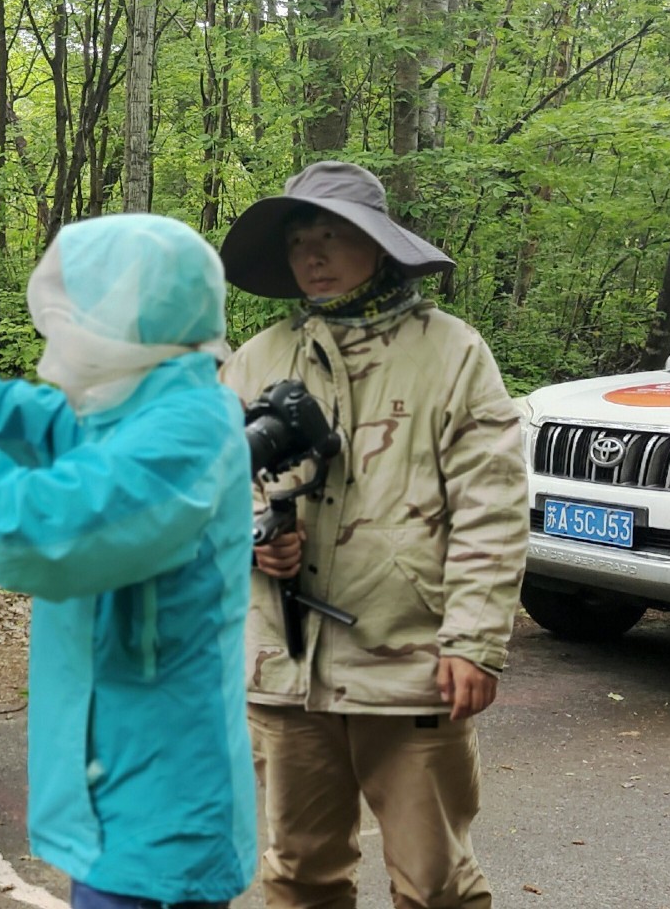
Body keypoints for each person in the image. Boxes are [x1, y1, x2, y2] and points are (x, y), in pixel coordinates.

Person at [0, 214, 257, 909]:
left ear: (137, 320)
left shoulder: (187, 433)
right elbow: (10, 411)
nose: (69, 332)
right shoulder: (132, 407)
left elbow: (41, 533)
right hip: (118, 804)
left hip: (161, 815)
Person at [216, 161, 527, 909]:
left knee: (436, 882)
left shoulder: (450, 353)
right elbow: (211, 486)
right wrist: (255, 539)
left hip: (410, 662)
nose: (312, 255)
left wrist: (474, 641)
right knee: (300, 875)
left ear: (379, 244)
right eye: (299, 240)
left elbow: (492, 501)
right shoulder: (257, 359)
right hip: (285, 668)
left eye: (331, 235)